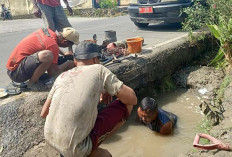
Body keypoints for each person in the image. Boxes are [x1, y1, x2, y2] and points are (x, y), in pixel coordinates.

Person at [40, 41, 137, 157]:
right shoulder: (99, 69)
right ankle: (89, 149)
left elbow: (44, 113)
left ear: (75, 61)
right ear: (96, 59)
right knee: (126, 105)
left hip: (50, 139)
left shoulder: (61, 77)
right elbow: (132, 99)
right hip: (75, 148)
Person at [6, 27, 79, 90]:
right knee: (47, 56)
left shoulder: (48, 32)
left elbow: (49, 44)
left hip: (13, 68)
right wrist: (68, 63)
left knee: (50, 56)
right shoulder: (53, 45)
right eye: (70, 45)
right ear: (65, 41)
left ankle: (37, 77)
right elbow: (52, 72)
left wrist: (64, 53)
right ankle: (33, 83)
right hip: (17, 74)